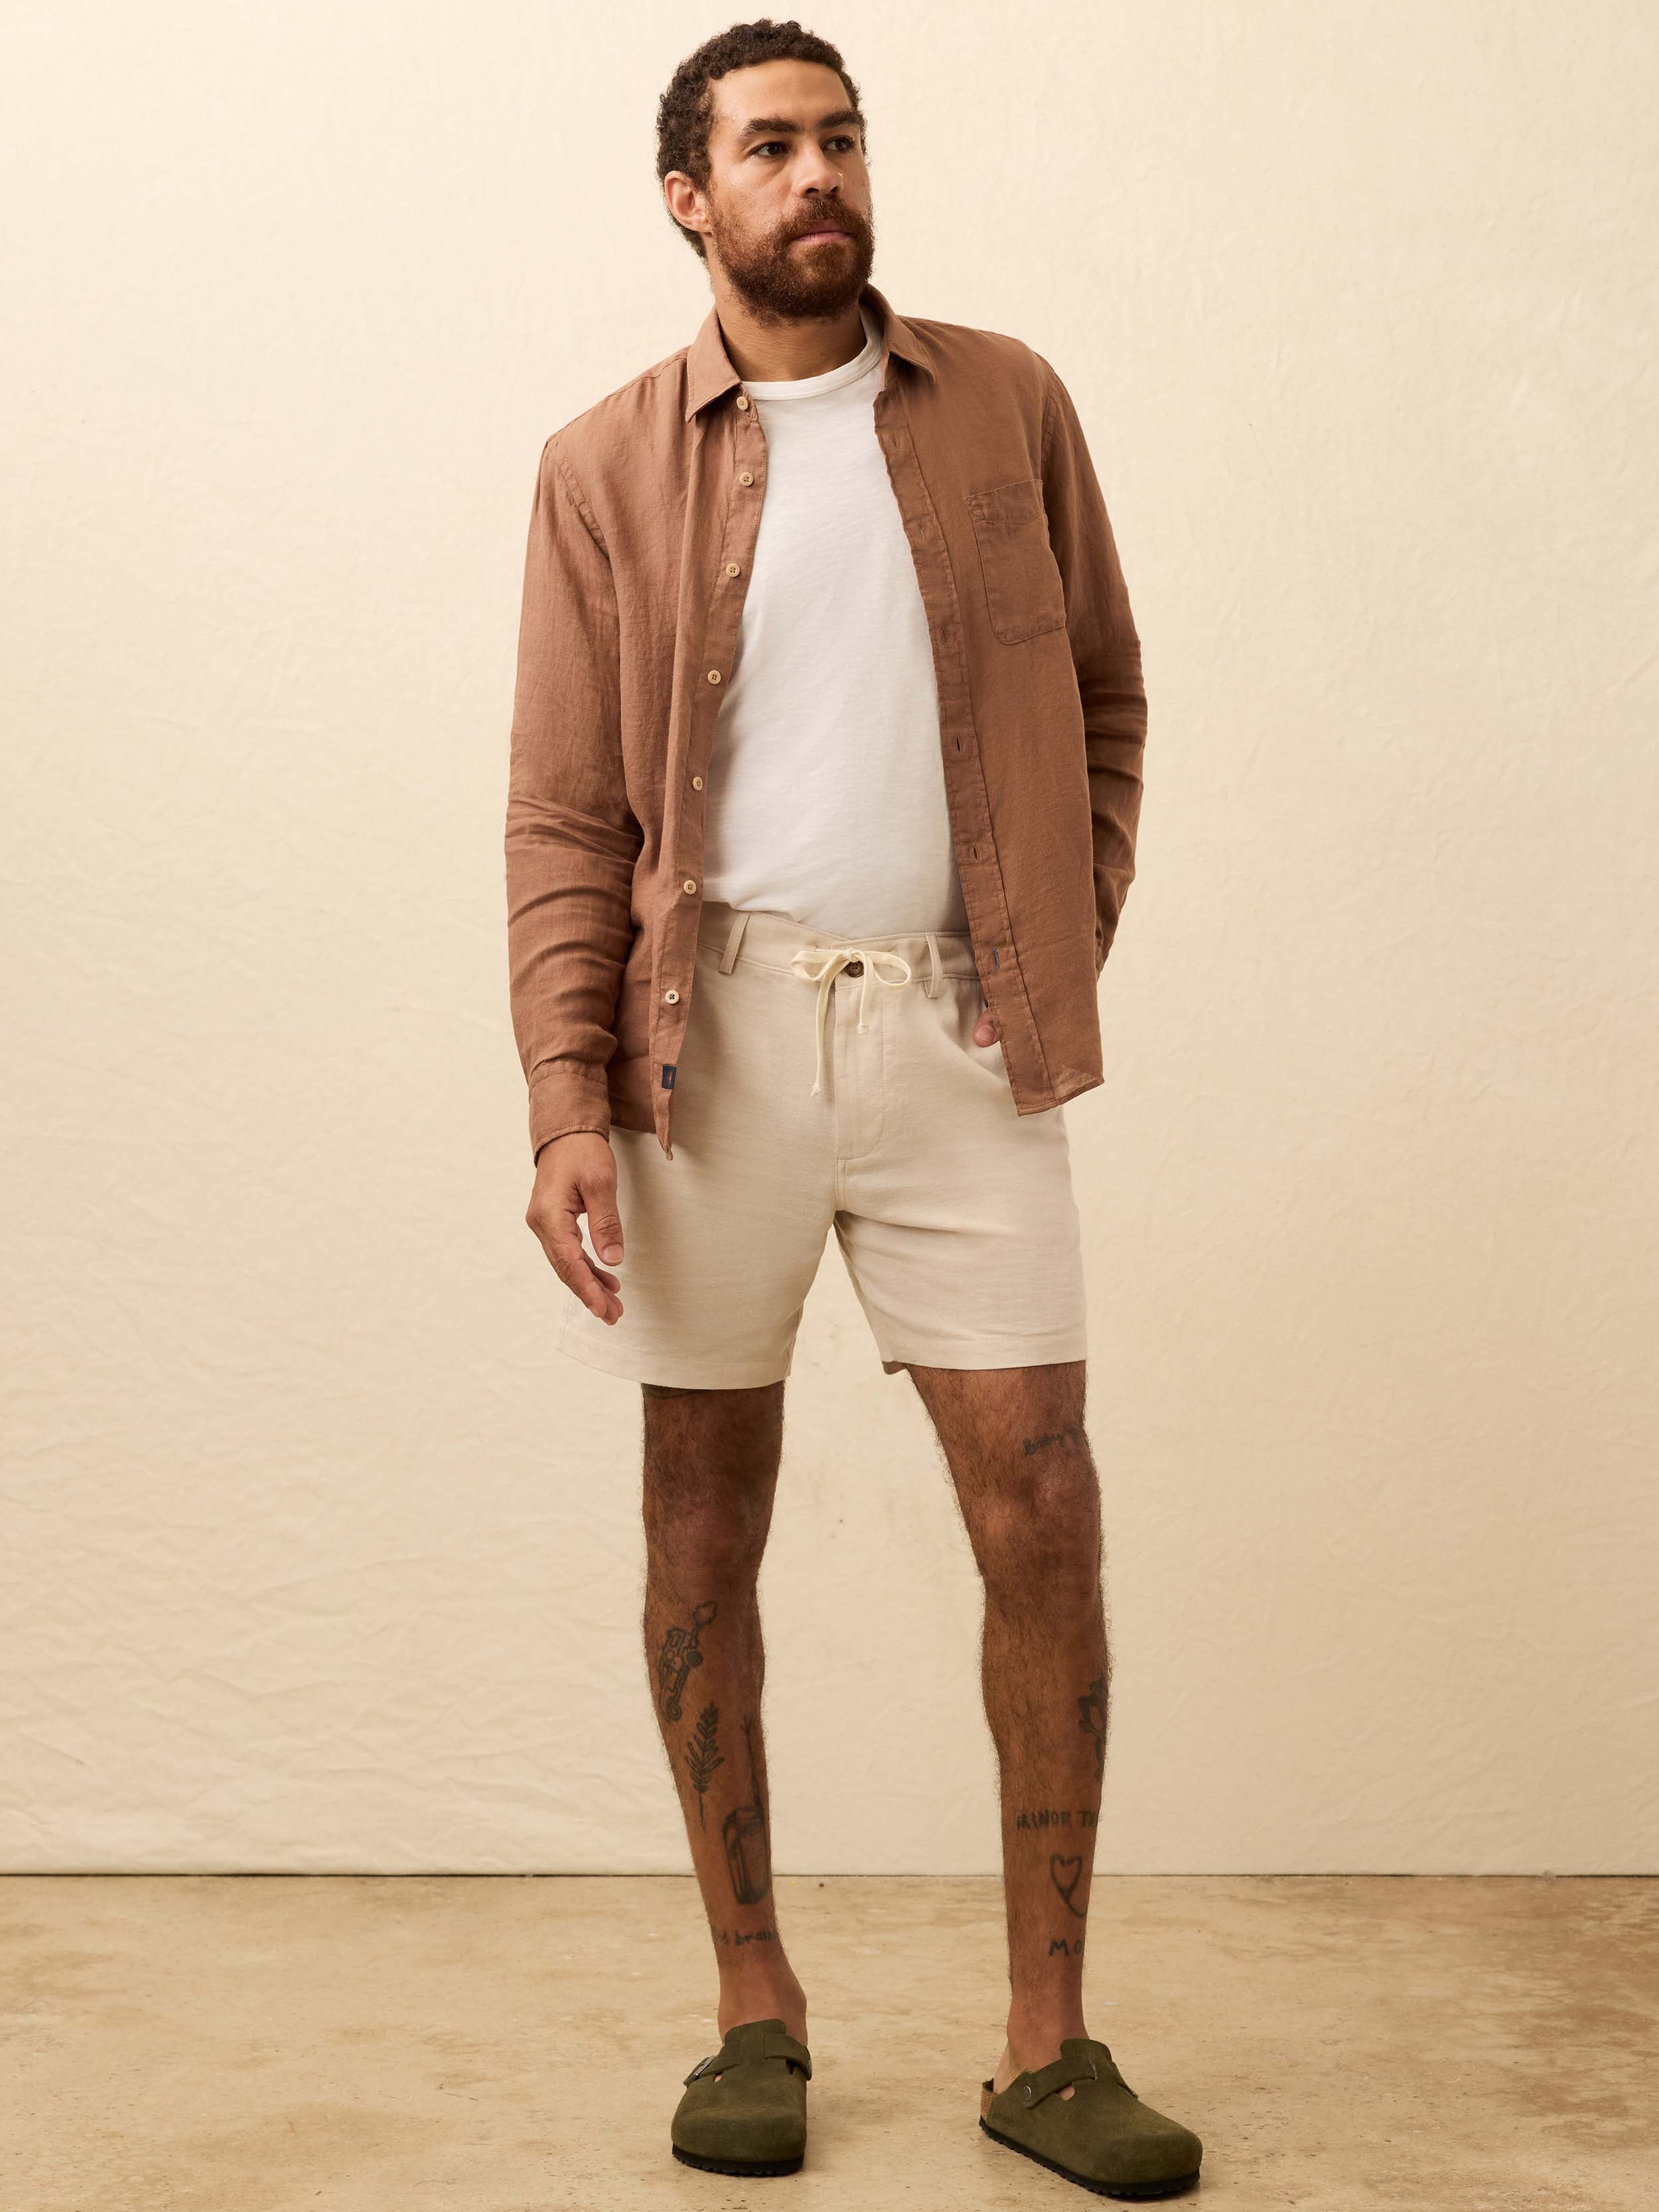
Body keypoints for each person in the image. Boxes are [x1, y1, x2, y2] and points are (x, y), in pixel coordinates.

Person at [504, 17, 1201, 2197]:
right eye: (772, 145)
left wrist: (1055, 934)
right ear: (687, 198)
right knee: (700, 1517)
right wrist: (564, 1097)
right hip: (703, 1052)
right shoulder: (601, 466)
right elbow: (555, 812)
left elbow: (1101, 688)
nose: (822, 174)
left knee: (1045, 1501)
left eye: (844, 139)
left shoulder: (1005, 405)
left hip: (963, 1040)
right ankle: (753, 2012)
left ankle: (1047, 2040)